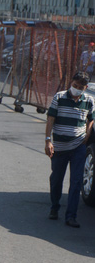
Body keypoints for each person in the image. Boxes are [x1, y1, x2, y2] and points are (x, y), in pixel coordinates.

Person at [45, 71, 94, 228]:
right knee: (56, 179)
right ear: (70, 83)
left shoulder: (89, 100)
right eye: (74, 85)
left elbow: (91, 119)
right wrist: (48, 141)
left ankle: (71, 216)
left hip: (78, 147)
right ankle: (54, 207)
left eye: (80, 87)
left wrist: (86, 136)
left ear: (85, 87)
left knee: (76, 181)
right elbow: (50, 119)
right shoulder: (59, 98)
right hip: (59, 147)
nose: (76, 89)